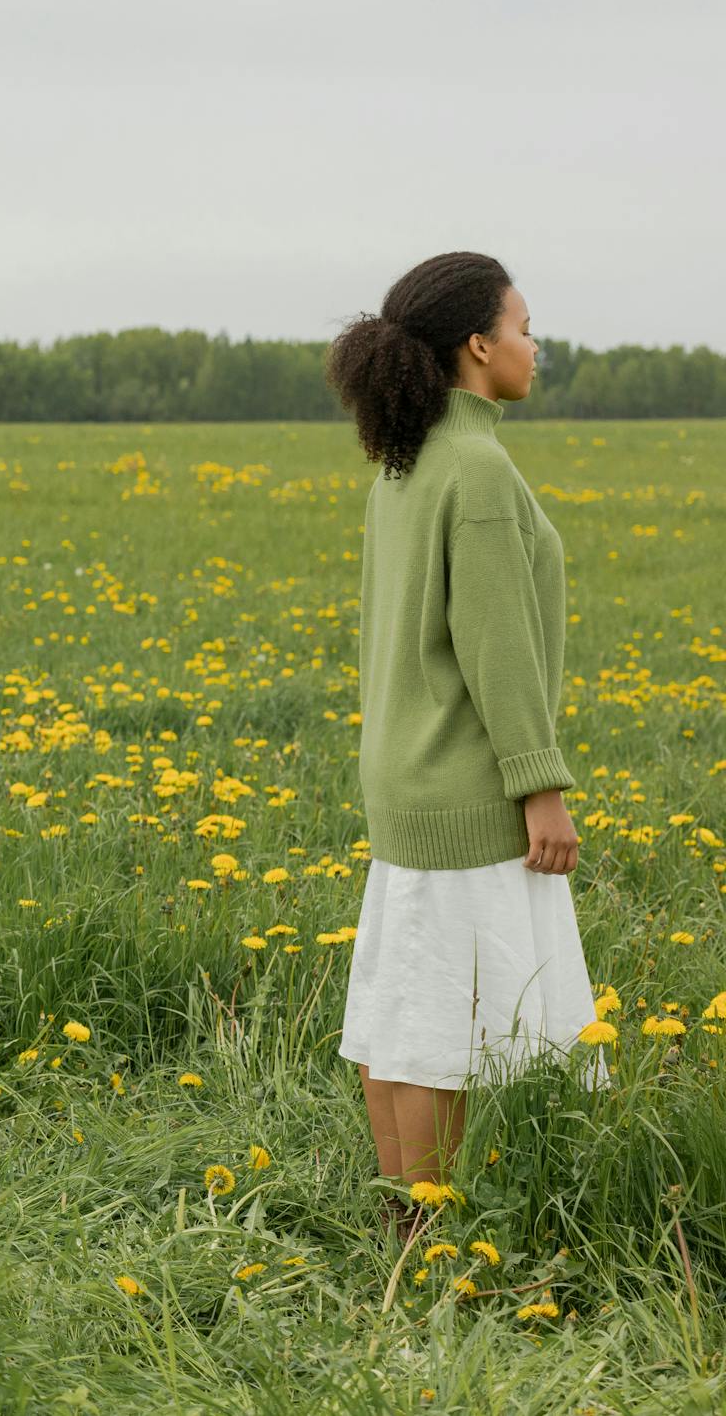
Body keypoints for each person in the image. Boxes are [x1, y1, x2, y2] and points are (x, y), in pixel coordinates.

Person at [324, 250, 606, 1244]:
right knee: (449, 1024)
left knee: (403, 1013)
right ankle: (435, 1239)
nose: (536, 347)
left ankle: (405, 1224)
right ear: (478, 347)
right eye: (525, 328)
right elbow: (496, 648)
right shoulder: (476, 467)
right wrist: (541, 786)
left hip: (405, 779)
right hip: (466, 783)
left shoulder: (408, 458)